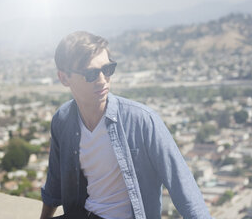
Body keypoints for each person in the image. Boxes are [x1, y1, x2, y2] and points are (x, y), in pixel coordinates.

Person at [40, 31, 211, 219]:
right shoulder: (63, 120)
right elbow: (55, 183)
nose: (103, 79)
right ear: (64, 78)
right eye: (91, 73)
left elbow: (183, 188)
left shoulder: (142, 121)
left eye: (107, 69)